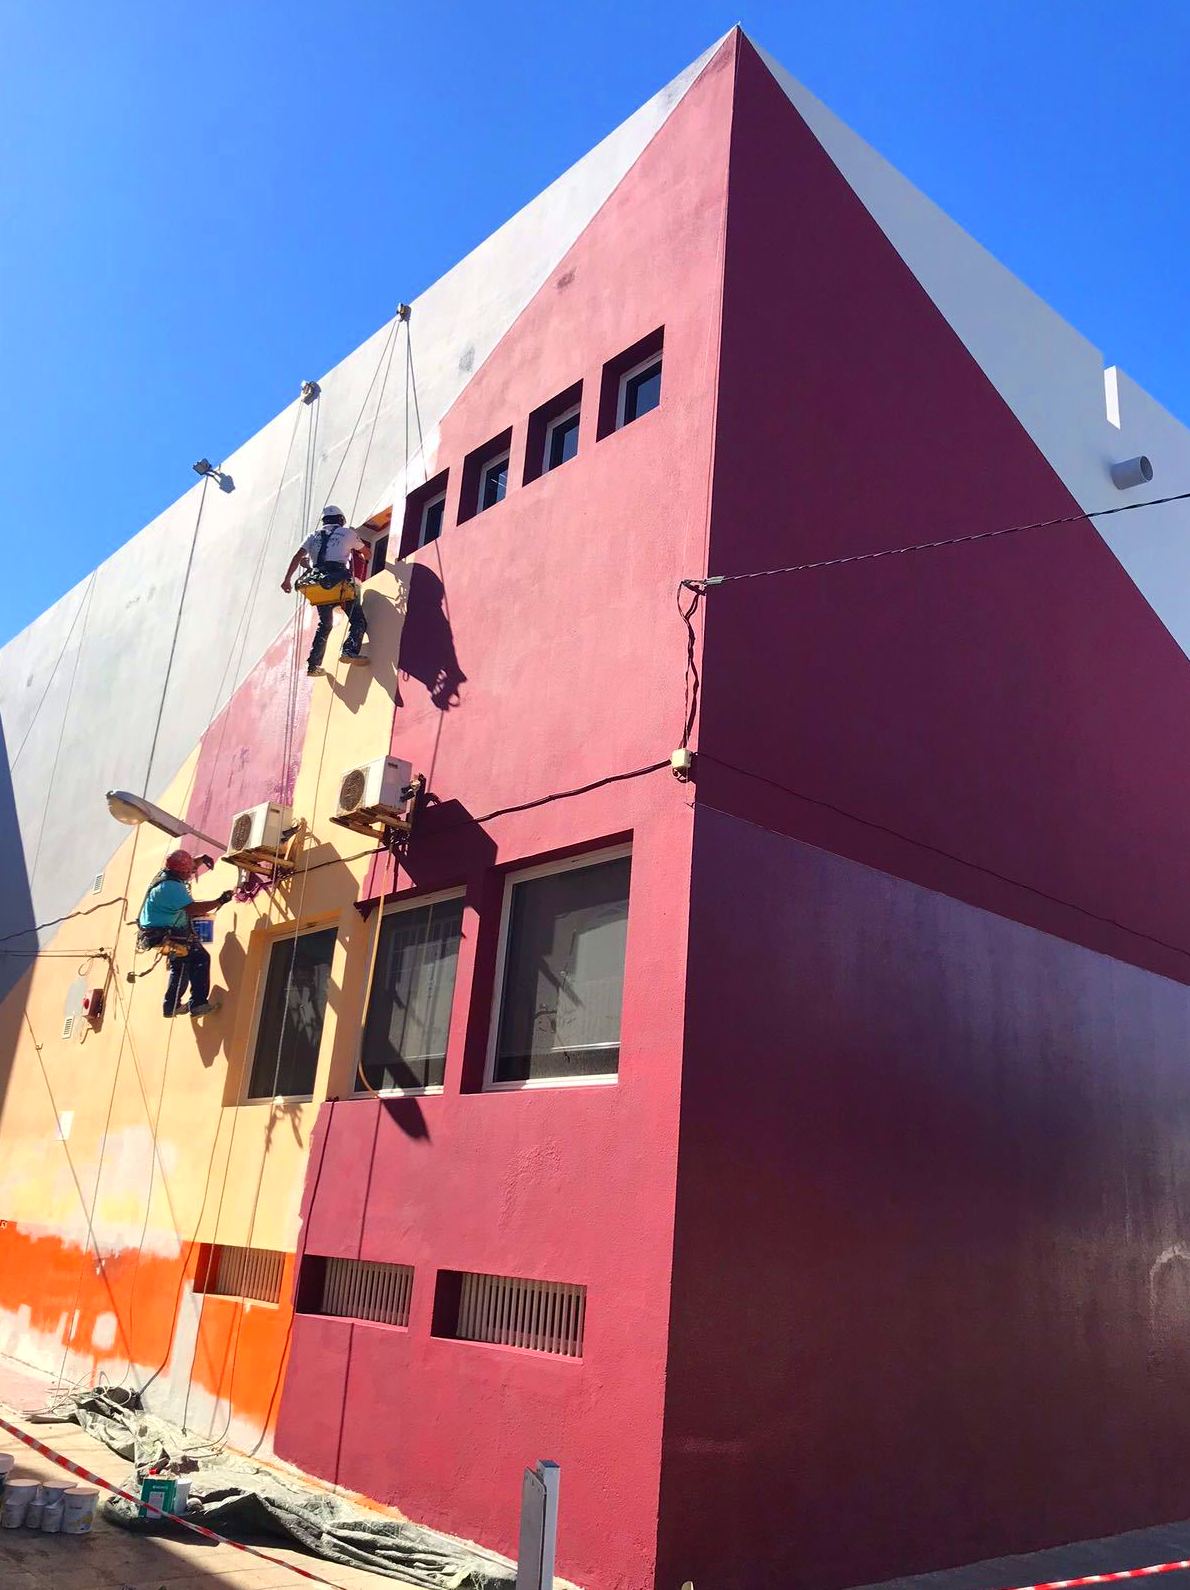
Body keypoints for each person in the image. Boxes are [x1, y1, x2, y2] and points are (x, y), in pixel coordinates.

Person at [281, 504, 377, 677]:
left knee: (325, 625)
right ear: (341, 520)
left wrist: (287, 579)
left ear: (324, 521)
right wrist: (362, 553)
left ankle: (312, 666)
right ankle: (349, 650)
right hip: (338, 582)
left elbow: (297, 557)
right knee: (358, 620)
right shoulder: (347, 533)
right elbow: (367, 554)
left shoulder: (313, 536)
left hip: (318, 584)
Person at [137, 850, 233, 1018]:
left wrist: (202, 859)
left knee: (182, 965)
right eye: (188, 871)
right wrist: (219, 901)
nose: (191, 873)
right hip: (167, 933)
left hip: (158, 931)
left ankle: (171, 1007)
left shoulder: (167, 875)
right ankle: (197, 1004)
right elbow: (193, 909)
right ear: (179, 871)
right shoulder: (170, 888)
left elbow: (188, 866)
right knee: (198, 959)